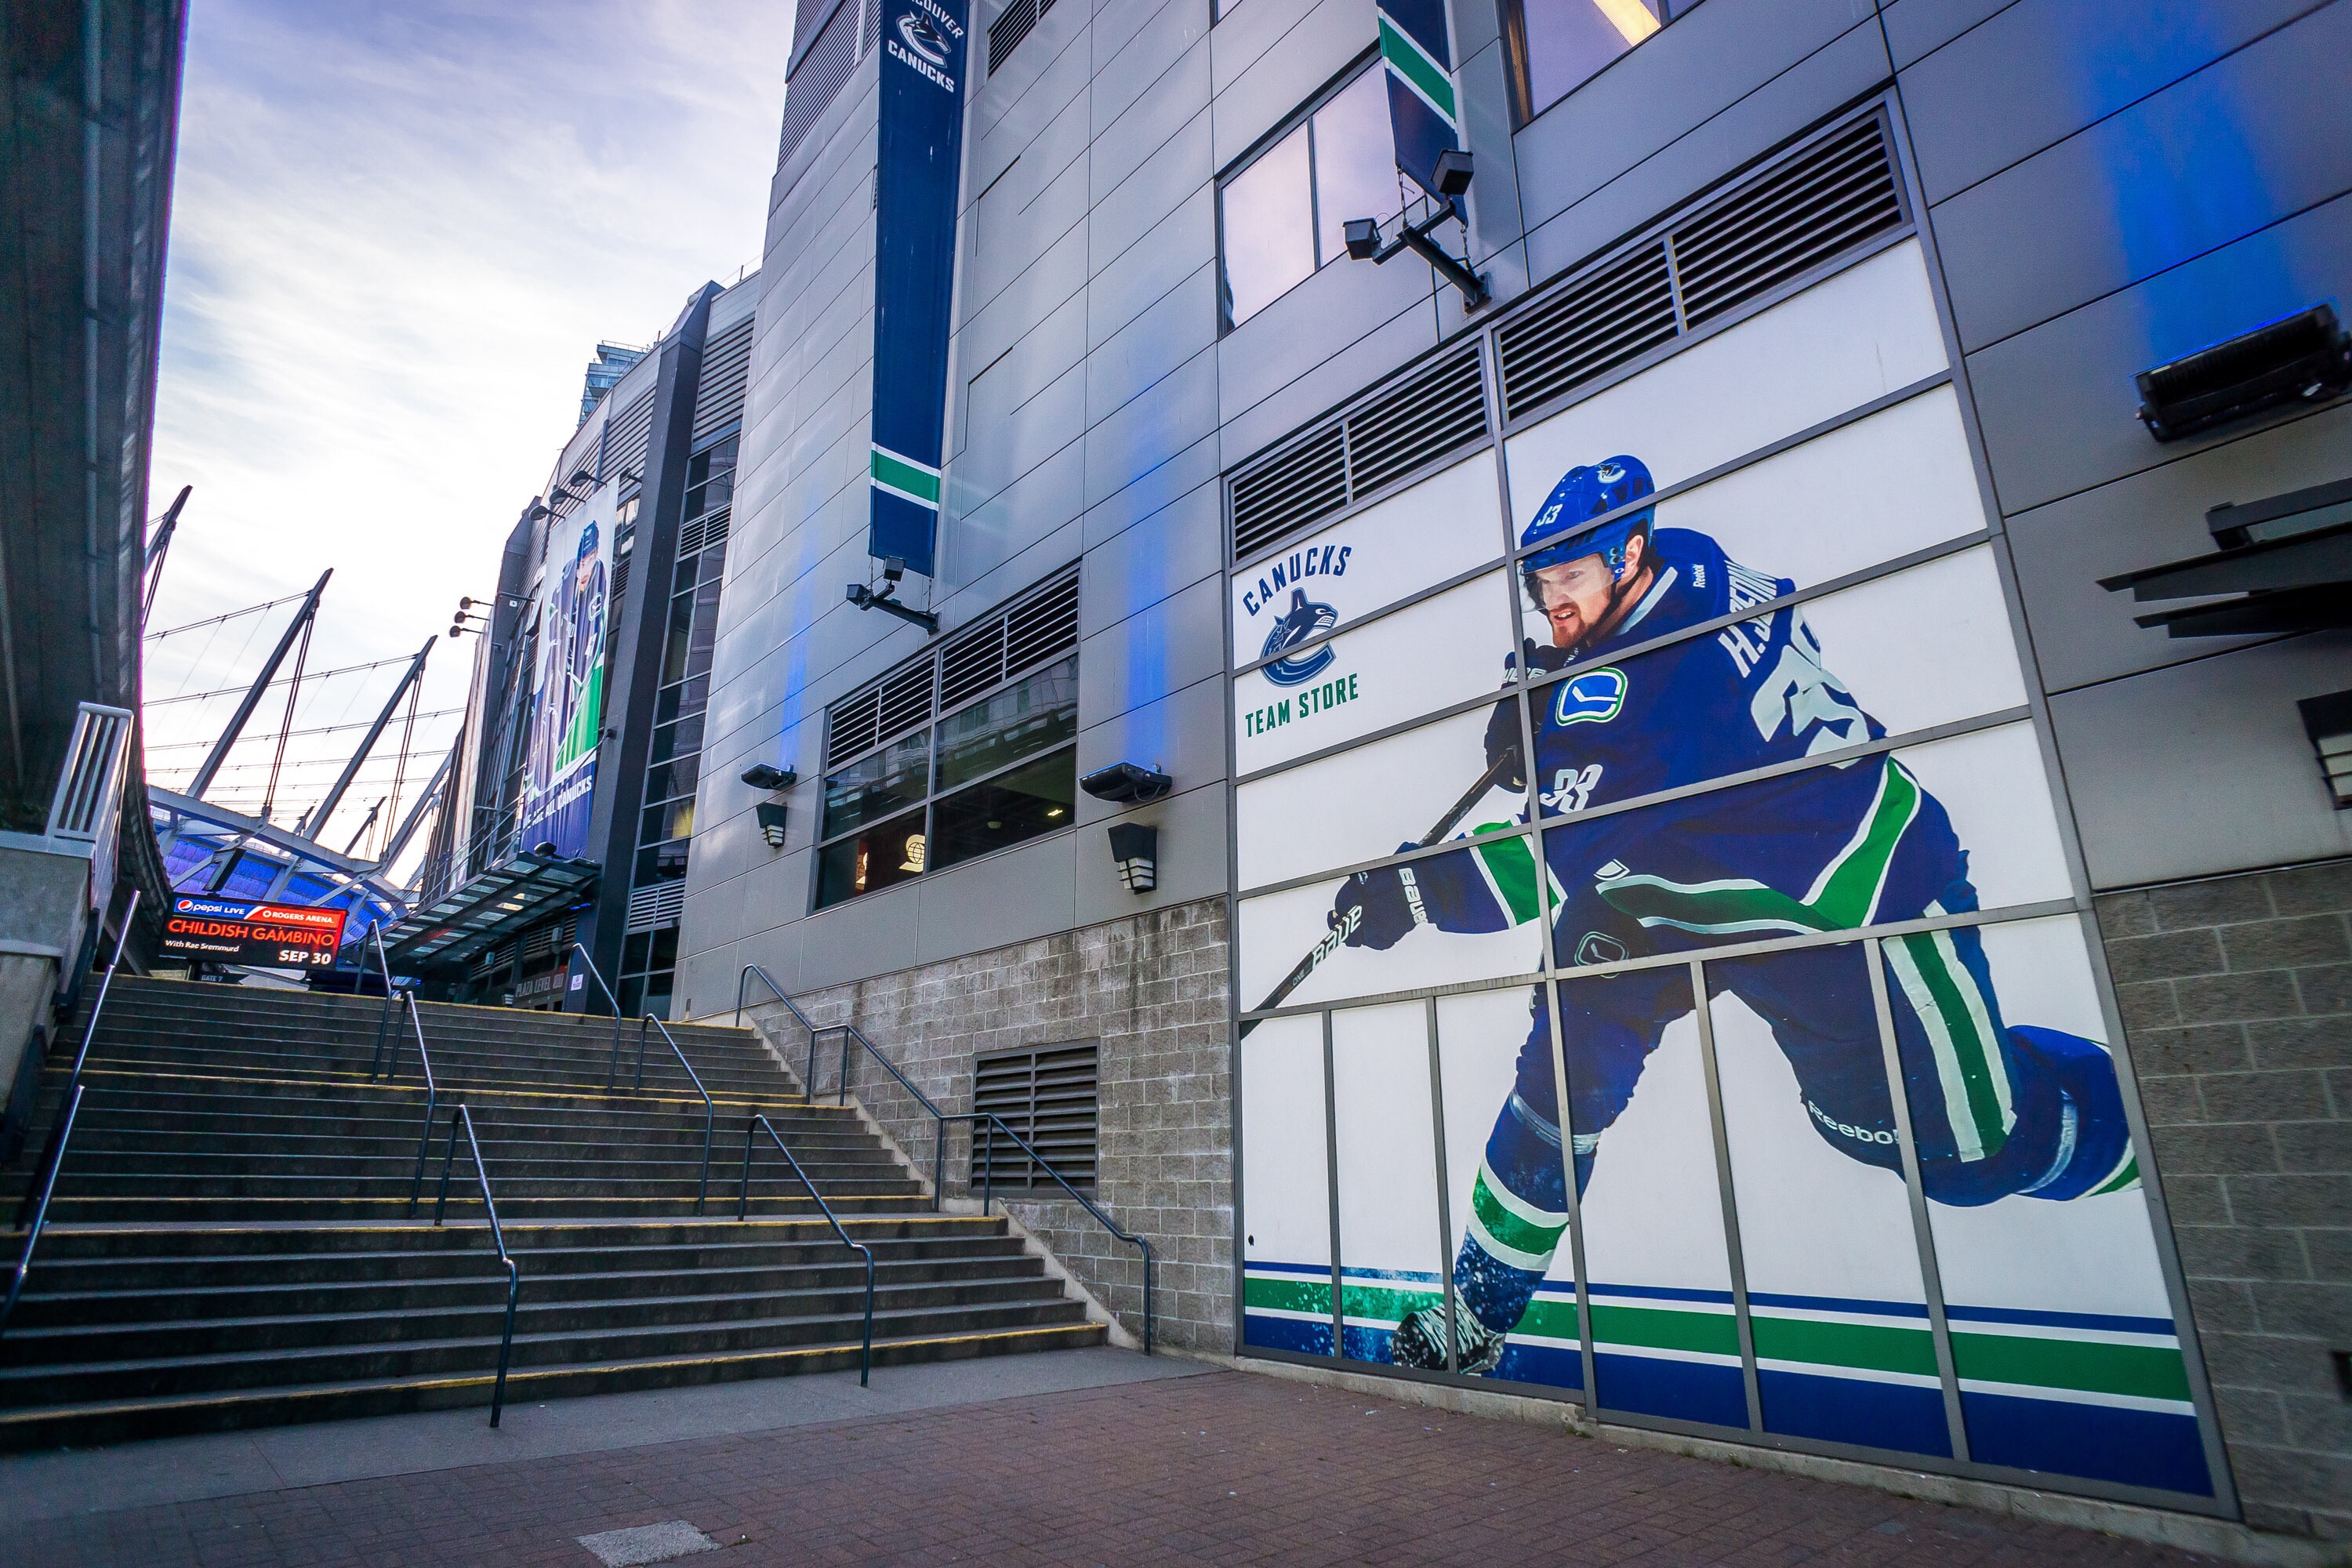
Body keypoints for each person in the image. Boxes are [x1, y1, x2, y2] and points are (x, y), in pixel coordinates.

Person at [1327, 455, 2140, 1376]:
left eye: (1571, 580)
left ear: (1626, 554)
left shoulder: (1660, 705)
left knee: (1968, 1149)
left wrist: (1410, 889)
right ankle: (1476, 1313)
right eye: (1543, 584)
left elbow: (1540, 861)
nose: (1554, 599)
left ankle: (2154, 1123)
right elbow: (1595, 680)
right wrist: (1545, 681)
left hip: (1844, 903)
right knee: (1565, 1064)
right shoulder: (1682, 558)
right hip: (1676, 871)